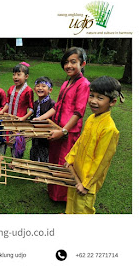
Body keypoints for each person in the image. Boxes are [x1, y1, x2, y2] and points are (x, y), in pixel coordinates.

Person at [34, 47, 90, 201]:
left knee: (64, 163)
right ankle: (53, 193)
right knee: (53, 160)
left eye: (73, 62)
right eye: (66, 62)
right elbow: (57, 106)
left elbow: (78, 112)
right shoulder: (66, 83)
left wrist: (64, 131)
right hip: (56, 129)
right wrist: (41, 118)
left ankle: (63, 197)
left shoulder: (84, 84)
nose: (69, 66)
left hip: (69, 132)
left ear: (83, 63)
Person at [64, 76, 124, 214]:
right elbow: (80, 141)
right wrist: (70, 158)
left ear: (113, 102)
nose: (93, 101)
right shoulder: (91, 118)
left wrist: (86, 185)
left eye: (100, 98)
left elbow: (101, 161)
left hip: (87, 182)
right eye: (91, 96)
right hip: (76, 171)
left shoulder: (110, 129)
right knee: (71, 201)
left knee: (82, 209)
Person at [30, 77, 55, 162]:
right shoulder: (36, 103)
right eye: (38, 86)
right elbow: (33, 115)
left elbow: (52, 119)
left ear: (50, 90)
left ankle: (42, 168)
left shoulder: (51, 104)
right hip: (35, 132)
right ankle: (34, 165)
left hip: (45, 133)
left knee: (43, 150)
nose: (40, 88)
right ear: (34, 89)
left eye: (43, 86)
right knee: (35, 147)